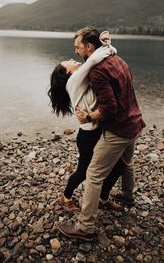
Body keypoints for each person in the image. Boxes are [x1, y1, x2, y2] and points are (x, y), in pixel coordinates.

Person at [58, 26, 146, 241]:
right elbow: (95, 59)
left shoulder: (97, 72)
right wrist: (107, 45)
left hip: (118, 129)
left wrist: (87, 117)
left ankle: (85, 228)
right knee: (124, 165)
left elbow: (109, 110)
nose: (76, 53)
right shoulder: (118, 60)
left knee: (94, 175)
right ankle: (126, 197)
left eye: (78, 47)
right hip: (135, 123)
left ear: (89, 47)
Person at [48, 31, 124, 213]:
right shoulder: (73, 81)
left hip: (100, 129)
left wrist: (108, 47)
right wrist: (109, 47)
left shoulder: (81, 78)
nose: (74, 59)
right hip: (88, 135)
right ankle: (66, 196)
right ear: (67, 72)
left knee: (118, 166)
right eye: (70, 62)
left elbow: (95, 61)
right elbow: (92, 60)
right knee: (83, 171)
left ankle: (103, 198)